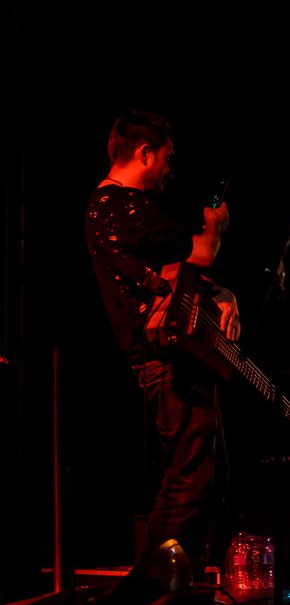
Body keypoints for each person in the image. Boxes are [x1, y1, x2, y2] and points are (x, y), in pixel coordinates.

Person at [86, 110, 239, 575]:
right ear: (145, 153)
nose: (169, 171)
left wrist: (222, 293)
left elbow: (172, 273)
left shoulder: (122, 210)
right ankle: (161, 589)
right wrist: (215, 222)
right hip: (165, 357)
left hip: (176, 355)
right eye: (167, 159)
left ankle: (182, 587)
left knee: (203, 476)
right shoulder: (120, 205)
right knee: (187, 480)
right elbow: (202, 252)